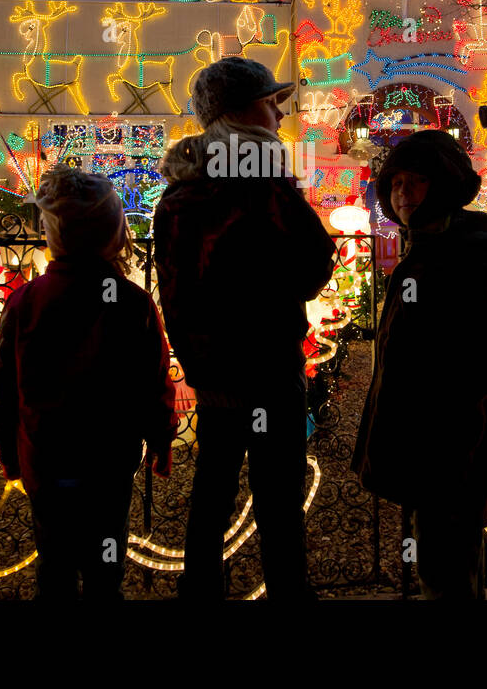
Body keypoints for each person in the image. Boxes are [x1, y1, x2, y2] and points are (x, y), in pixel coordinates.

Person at [155, 56, 337, 600]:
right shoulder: (265, 186)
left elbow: (174, 292)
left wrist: (197, 364)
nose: (279, 113)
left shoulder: (180, 195)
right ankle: (286, 592)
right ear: (241, 113)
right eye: (270, 102)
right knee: (279, 499)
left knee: (211, 495)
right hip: (269, 370)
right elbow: (313, 266)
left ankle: (201, 592)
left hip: (214, 380)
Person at [0, 168, 176, 600]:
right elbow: (153, 380)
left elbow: (4, 384)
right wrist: (161, 438)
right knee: (105, 570)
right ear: (114, 232)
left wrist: (7, 448)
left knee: (53, 569)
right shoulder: (131, 303)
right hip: (108, 462)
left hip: (46, 458)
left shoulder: (27, 301)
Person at [352, 130, 487, 599]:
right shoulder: (430, 248)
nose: (403, 194)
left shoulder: (460, 260)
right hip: (433, 442)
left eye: (417, 182)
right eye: (396, 183)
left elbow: (477, 368)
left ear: (442, 184)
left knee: (445, 564)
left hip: (447, 446)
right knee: (448, 557)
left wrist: (451, 441)